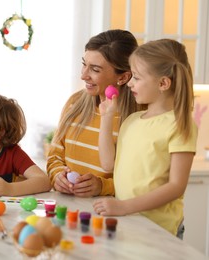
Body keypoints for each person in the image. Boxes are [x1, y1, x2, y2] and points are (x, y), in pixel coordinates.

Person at [93, 39, 198, 238]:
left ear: (163, 83)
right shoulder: (131, 120)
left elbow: (176, 186)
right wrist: (106, 119)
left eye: (137, 78)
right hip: (128, 222)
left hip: (159, 230)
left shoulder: (179, 124)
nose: (130, 83)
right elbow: (108, 164)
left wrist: (124, 207)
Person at [47, 29, 143, 197]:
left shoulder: (140, 118)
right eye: (84, 64)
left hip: (113, 214)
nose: (84, 75)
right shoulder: (74, 103)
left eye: (95, 70)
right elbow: (55, 155)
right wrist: (57, 177)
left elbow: (141, 180)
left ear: (123, 77)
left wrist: (103, 186)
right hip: (69, 208)